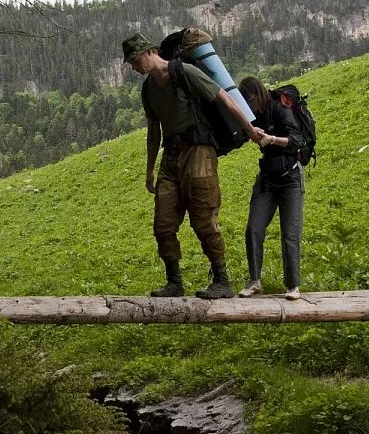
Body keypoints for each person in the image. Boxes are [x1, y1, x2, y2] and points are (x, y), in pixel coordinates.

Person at [122, 33, 265, 299]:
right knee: (163, 224)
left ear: (150, 52)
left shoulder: (184, 72)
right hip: (171, 157)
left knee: (203, 219)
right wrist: (149, 169)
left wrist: (249, 129)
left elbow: (222, 97)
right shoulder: (148, 90)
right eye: (130, 63)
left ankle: (222, 280)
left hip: (199, 151)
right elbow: (153, 131)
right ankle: (174, 282)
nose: (133, 67)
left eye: (134, 60)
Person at [237, 77, 305, 300]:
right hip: (267, 179)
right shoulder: (254, 115)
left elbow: (297, 139)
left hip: (290, 178)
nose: (250, 106)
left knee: (290, 234)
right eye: (245, 103)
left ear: (258, 94)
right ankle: (255, 281)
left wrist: (272, 139)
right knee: (253, 228)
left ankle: (292, 286)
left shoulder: (279, 107)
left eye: (250, 100)